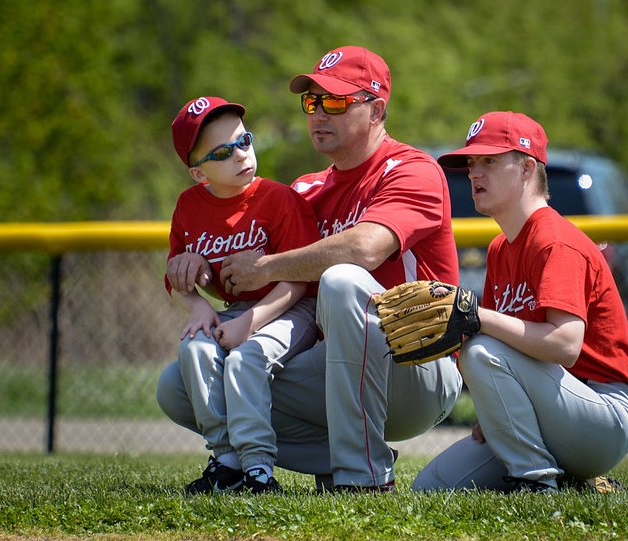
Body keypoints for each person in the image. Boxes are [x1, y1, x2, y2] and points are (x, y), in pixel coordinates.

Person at [159, 46, 462, 492]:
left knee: (342, 280)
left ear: (377, 109)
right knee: (182, 385)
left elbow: (363, 249)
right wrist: (196, 264)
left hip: (416, 365)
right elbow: (241, 265)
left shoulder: (412, 169)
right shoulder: (305, 189)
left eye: (336, 101)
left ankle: (363, 477)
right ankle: (335, 455)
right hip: (335, 366)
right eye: (312, 101)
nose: (319, 112)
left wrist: (267, 266)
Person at [412, 111, 628, 493]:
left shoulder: (555, 240)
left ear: (526, 168)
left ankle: (534, 481)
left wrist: (476, 317)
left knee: (480, 347)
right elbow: (511, 348)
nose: (474, 173)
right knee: (431, 487)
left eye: (489, 161)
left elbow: (565, 346)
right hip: (550, 408)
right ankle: (571, 479)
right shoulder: (501, 248)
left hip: (602, 415)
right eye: (471, 163)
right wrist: (498, 407)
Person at [161, 96, 321, 494]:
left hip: (292, 307)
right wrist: (198, 306)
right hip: (237, 310)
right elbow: (175, 277)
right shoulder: (188, 206)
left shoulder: (279, 198)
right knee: (194, 348)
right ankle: (227, 461)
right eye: (223, 152)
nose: (241, 155)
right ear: (200, 174)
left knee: (246, 357)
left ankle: (258, 469)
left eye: (244, 141)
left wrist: (250, 323)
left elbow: (298, 282)